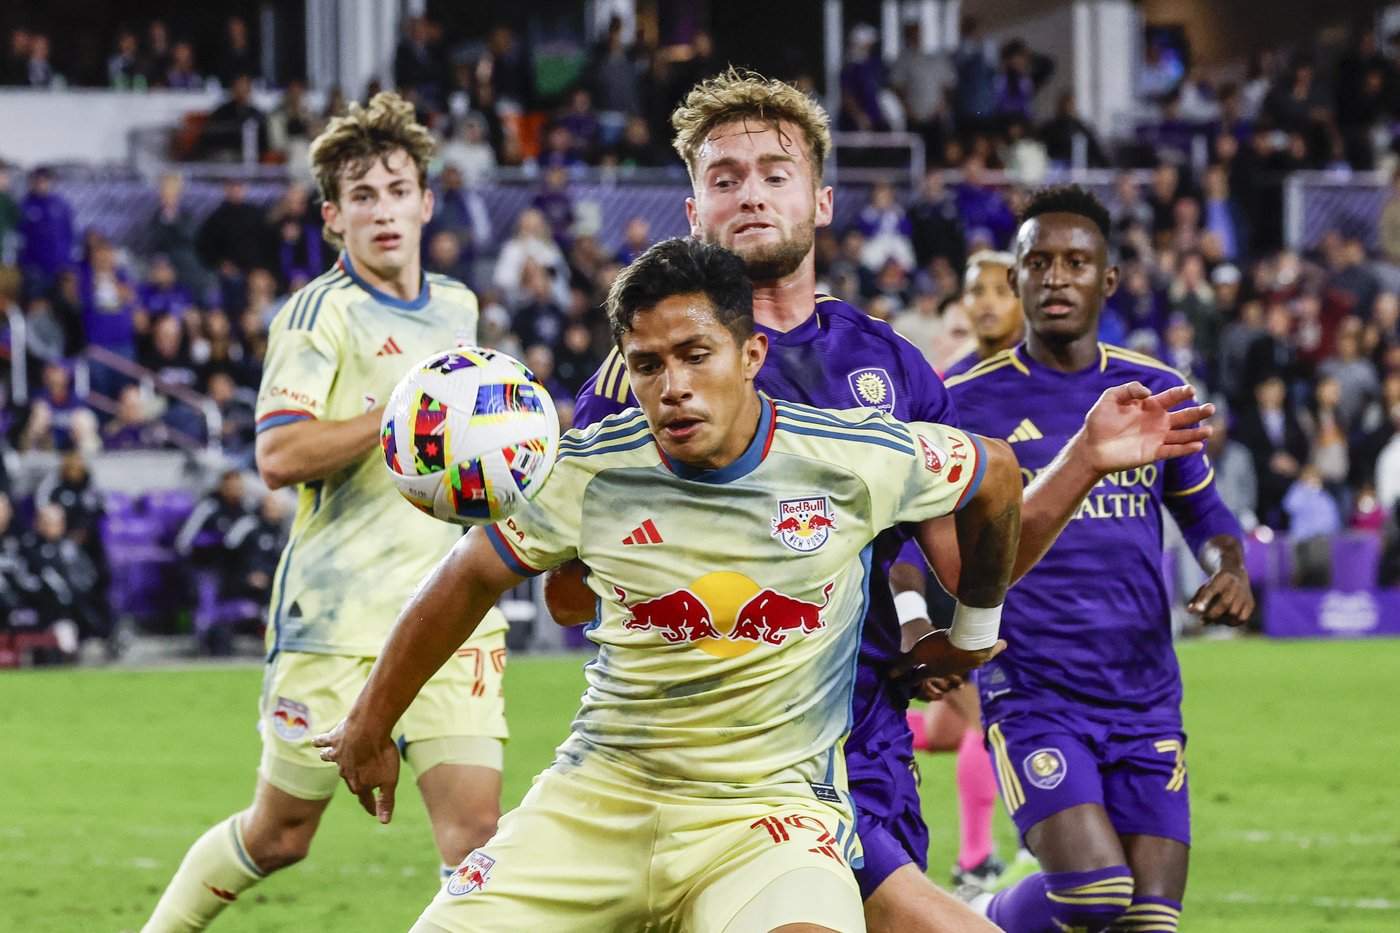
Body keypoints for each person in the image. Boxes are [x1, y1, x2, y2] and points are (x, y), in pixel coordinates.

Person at [555, 71, 1215, 932]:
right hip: (701, 761)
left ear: (822, 201)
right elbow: (569, 593)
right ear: (692, 211)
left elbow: (968, 568)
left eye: (773, 173)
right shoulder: (634, 378)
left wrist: (1081, 463)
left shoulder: (894, 371)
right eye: (724, 179)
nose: (750, 194)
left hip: (863, 750)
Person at [314, 236, 1025, 932]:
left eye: (695, 354)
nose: (673, 385)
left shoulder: (850, 456)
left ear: (751, 355)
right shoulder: (587, 472)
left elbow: (996, 474)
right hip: (599, 798)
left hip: (769, 816)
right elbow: (468, 575)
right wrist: (370, 724)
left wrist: (973, 633)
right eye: (647, 364)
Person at [140, 92, 509, 932]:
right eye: (363, 195)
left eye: (397, 188)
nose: (383, 209)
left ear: (426, 200)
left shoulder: (459, 307)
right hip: (341, 615)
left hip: (451, 605)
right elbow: (278, 455)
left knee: (477, 837)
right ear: (333, 217)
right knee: (282, 835)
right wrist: (404, 415)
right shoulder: (317, 315)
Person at [946, 185, 1253, 932]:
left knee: (1147, 922)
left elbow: (1205, 514)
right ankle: (975, 919)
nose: (1057, 277)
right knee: (1092, 892)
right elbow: (928, 539)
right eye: (1039, 262)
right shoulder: (961, 399)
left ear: (1107, 278)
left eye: (1077, 261)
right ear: (1015, 279)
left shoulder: (1156, 389)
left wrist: (1229, 565)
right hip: (1036, 689)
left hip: (1145, 690)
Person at [943, 250, 1023, 378]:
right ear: (963, 302)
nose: (988, 302)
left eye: (1002, 291)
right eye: (977, 291)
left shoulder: (1047, 369)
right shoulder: (953, 377)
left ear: (1023, 302)